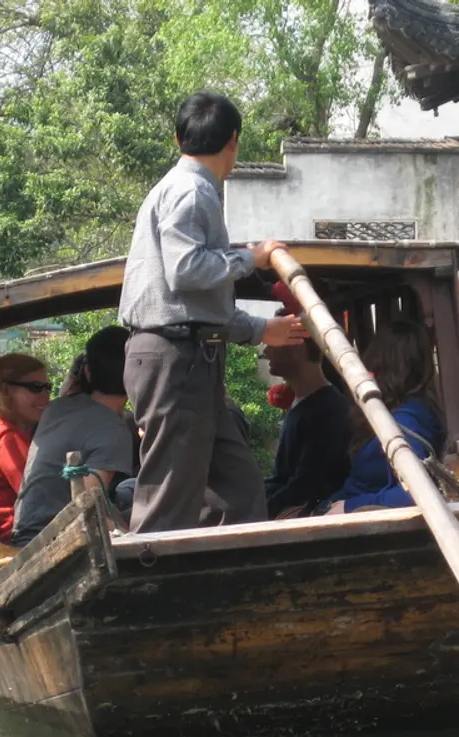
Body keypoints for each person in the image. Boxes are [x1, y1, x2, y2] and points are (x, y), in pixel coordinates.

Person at [118, 90, 306, 534]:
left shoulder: (182, 189)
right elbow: (186, 270)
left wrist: (263, 329)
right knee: (170, 491)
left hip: (190, 357)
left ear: (177, 137)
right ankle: (152, 585)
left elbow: (203, 304)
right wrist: (252, 258)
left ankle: (227, 578)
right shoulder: (192, 191)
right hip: (174, 358)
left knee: (236, 487)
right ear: (233, 142)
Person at [11, 327, 134, 547]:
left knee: (130, 490)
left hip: (24, 529)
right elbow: (87, 507)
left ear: (87, 371)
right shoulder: (114, 431)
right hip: (50, 540)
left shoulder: (56, 408)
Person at [319, 322, 444, 515]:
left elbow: (415, 494)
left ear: (382, 364)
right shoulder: (395, 413)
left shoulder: (408, 421)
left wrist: (349, 507)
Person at [262, 316, 353, 518]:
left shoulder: (327, 413)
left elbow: (306, 488)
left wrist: (254, 511)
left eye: (272, 344)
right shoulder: (308, 405)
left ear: (297, 346)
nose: (265, 353)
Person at [0, 353, 50, 541]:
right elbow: (40, 496)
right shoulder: (7, 439)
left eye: (47, 388)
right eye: (35, 388)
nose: (45, 396)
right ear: (5, 391)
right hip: (13, 538)